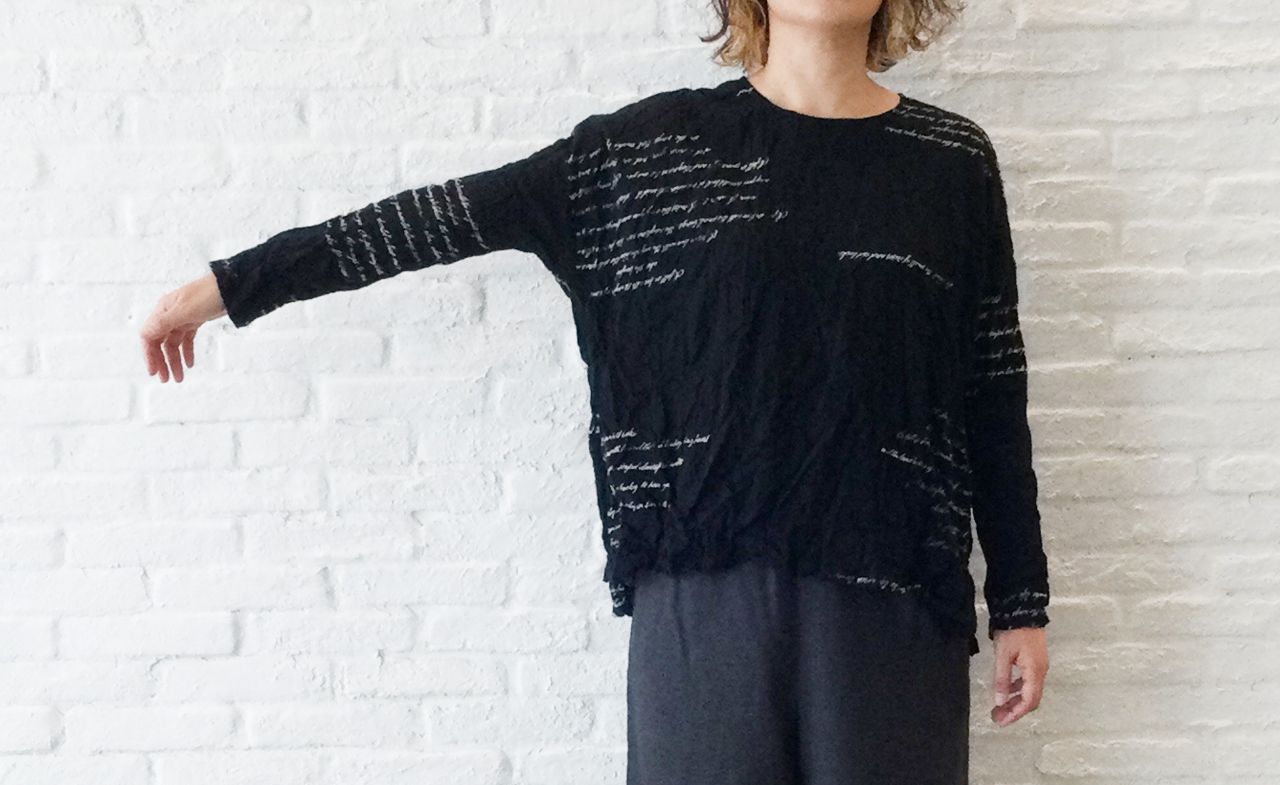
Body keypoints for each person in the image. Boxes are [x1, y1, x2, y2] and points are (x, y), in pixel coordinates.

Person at [140, 0, 1051, 781]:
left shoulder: (949, 162)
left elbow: (991, 391)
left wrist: (1021, 600)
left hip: (895, 598)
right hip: (702, 596)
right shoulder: (640, 154)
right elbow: (441, 218)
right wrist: (229, 287)